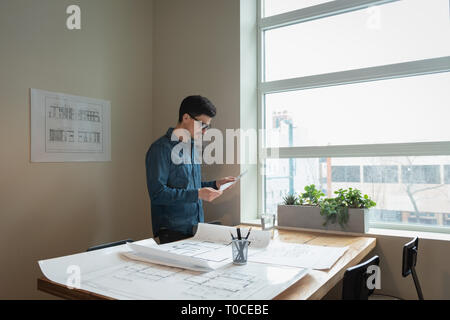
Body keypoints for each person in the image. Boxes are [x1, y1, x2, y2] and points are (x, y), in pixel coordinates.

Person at [145, 95, 236, 244]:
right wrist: (198, 194)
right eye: (202, 125)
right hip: (172, 233)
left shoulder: (192, 148)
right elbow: (158, 194)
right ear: (186, 117)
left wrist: (215, 185)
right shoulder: (160, 149)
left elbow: (190, 186)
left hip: (197, 229)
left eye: (208, 126)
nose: (205, 131)